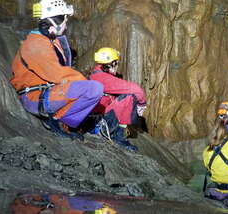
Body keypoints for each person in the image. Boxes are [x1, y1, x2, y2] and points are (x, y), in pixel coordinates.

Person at [10, 0, 103, 140]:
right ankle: (58, 120)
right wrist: (84, 83)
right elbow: (56, 74)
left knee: (91, 90)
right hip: (36, 97)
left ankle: (67, 124)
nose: (66, 26)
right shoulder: (36, 44)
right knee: (94, 89)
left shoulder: (49, 41)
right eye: (65, 20)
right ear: (55, 21)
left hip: (47, 93)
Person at [88, 47, 147, 151]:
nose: (117, 66)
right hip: (99, 123)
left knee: (122, 97)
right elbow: (136, 89)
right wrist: (142, 104)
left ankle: (113, 132)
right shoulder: (102, 78)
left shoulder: (97, 74)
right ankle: (118, 137)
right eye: (116, 63)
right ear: (112, 64)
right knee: (129, 97)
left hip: (96, 119)